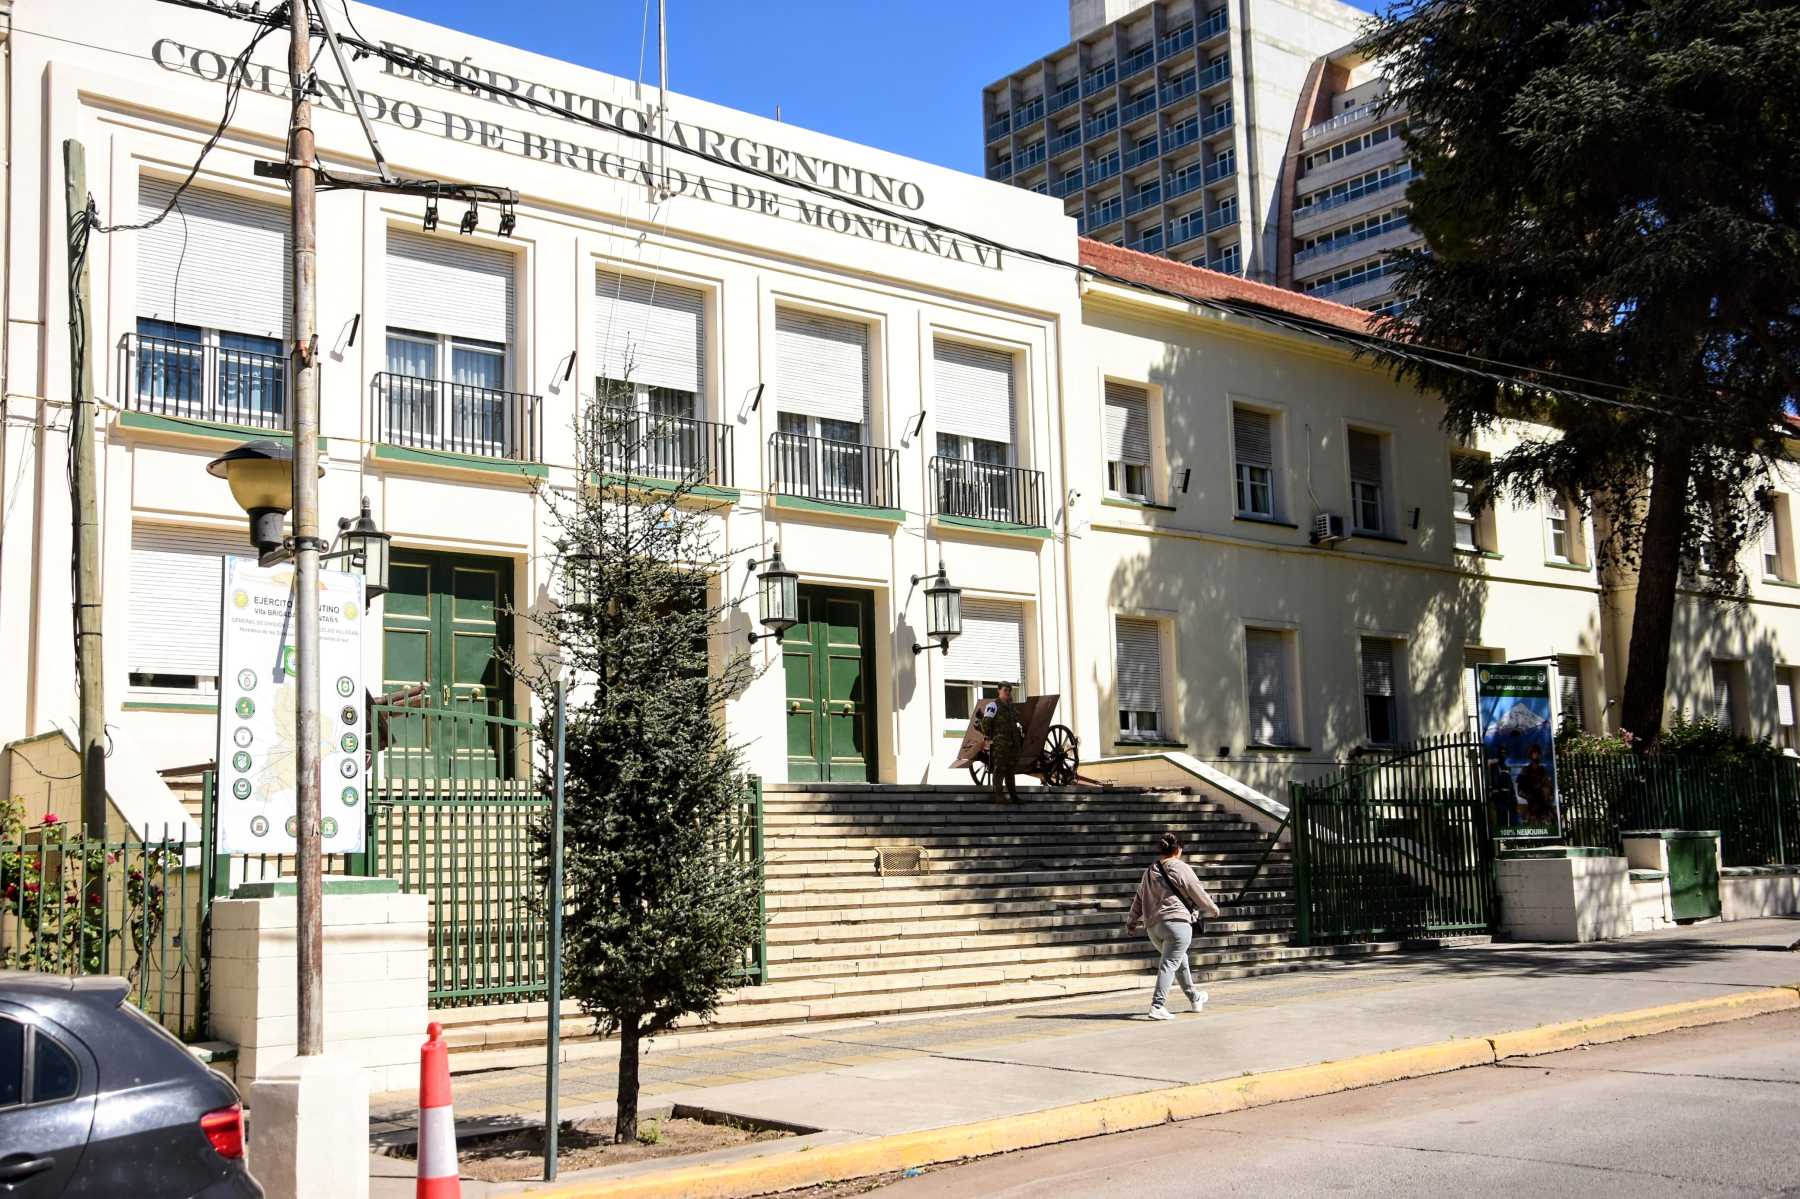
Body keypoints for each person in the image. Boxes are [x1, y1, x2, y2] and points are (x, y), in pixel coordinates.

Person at [1125, 832, 1221, 1020]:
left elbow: (1139, 898)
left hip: (1154, 927)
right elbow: (1196, 890)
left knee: (1179, 962)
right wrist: (1213, 909)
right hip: (1177, 924)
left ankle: (1195, 998)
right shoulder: (1180, 867)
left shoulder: (1150, 870)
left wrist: (1131, 920)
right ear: (1178, 849)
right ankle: (1157, 1005)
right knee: (1170, 964)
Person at [979, 682, 1025, 804]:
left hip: (1012, 744)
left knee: (1010, 770)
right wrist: (989, 737)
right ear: (998, 691)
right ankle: (999, 796)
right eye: (1005, 690)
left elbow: (1018, 720)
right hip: (1000, 745)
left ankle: (1013, 796)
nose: (1008, 693)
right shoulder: (993, 705)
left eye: (1009, 691)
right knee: (999, 770)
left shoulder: (1011, 707)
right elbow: (985, 723)